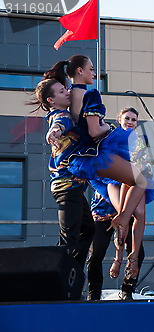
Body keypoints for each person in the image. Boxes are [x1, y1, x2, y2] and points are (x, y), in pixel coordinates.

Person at [44, 55, 147, 249]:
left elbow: (66, 121)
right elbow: (92, 131)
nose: (94, 73)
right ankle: (123, 220)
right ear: (80, 71)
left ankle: (122, 220)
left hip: (83, 158)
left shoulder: (72, 96)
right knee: (139, 179)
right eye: (91, 69)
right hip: (93, 155)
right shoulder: (88, 95)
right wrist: (110, 129)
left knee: (131, 180)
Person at [91, 107, 154, 279]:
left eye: (134, 120)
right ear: (119, 119)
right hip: (113, 179)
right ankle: (118, 258)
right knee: (124, 212)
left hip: (134, 178)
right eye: (127, 118)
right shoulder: (110, 135)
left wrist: (142, 167)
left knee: (140, 213)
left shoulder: (140, 141)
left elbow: (144, 162)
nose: (130, 122)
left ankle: (133, 258)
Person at [34, 78, 94, 269]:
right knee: (69, 239)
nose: (67, 92)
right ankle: (51, 278)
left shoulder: (62, 114)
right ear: (51, 100)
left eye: (65, 89)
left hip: (73, 187)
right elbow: (60, 124)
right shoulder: (61, 116)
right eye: (61, 92)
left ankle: (71, 273)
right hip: (66, 186)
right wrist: (54, 131)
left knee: (88, 230)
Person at [86, 190, 145, 301]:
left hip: (127, 213)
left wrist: (119, 259)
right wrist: (118, 260)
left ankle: (127, 289)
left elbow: (138, 216)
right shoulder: (111, 179)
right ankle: (94, 292)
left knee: (138, 252)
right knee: (95, 253)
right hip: (102, 213)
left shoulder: (138, 184)